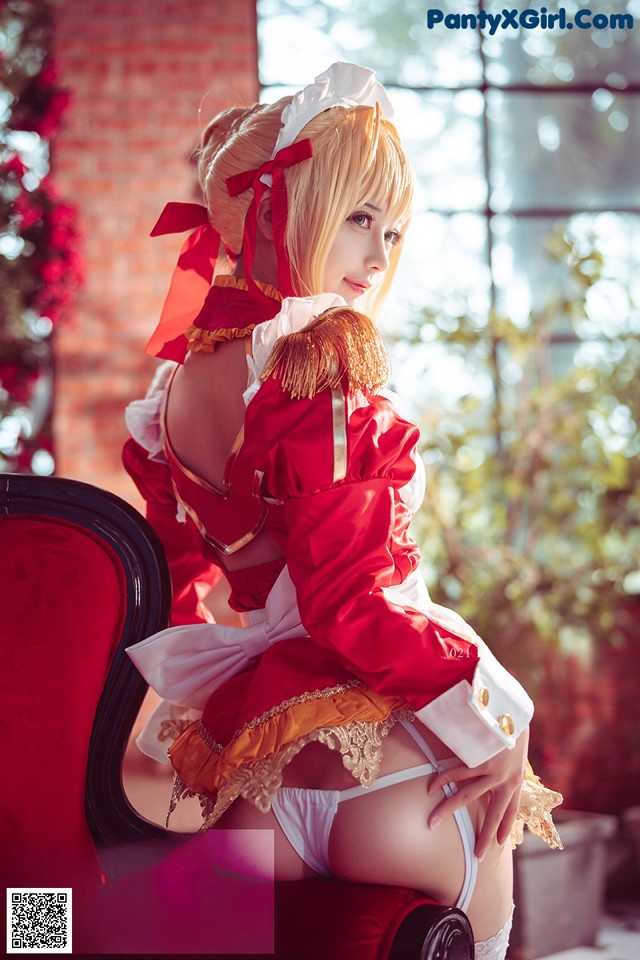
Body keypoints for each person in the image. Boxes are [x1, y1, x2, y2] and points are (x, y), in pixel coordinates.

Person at [123, 63, 562, 958]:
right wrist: (484, 726)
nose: (375, 256)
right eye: (358, 217)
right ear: (281, 207)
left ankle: (59, 921)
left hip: (258, 790)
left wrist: (171, 740)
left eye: (391, 231)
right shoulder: (318, 366)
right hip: (394, 779)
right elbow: (347, 596)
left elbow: (170, 587)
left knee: (155, 928)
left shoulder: (169, 396)